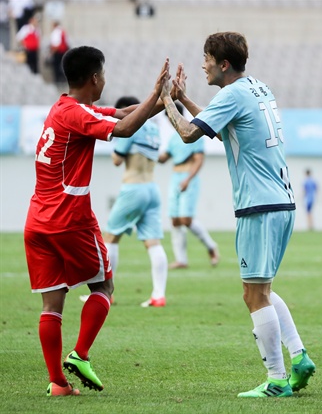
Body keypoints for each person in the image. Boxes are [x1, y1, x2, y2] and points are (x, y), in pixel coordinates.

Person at [160, 32, 315, 398]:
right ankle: (300, 357)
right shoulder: (257, 88)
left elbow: (186, 134)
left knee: (253, 295)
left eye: (207, 58)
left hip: (259, 206)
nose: (202, 65)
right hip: (280, 202)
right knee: (262, 290)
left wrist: (166, 99)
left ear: (223, 63)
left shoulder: (231, 95)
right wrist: (183, 98)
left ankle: (277, 379)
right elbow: (216, 127)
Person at [24, 45, 169, 396]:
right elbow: (124, 129)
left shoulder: (65, 108)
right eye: (103, 73)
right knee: (103, 287)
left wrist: (164, 101)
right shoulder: (78, 115)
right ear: (94, 78)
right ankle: (81, 354)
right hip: (69, 218)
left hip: (37, 221)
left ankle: (58, 383)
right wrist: (155, 94)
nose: (105, 79)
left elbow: (122, 113)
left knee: (52, 304)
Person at [81, 96, 169, 308]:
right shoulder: (153, 129)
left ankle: (106, 293)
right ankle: (159, 295)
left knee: (110, 238)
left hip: (133, 187)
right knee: (153, 242)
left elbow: (117, 159)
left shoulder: (133, 128)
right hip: (152, 187)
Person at [158, 101, 219, 269]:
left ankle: (211, 246)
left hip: (188, 178)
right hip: (175, 177)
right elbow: (163, 158)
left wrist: (188, 179)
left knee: (186, 219)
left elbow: (199, 160)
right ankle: (181, 260)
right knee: (175, 220)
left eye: (170, 116)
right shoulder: (172, 138)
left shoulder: (192, 133)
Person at [48, 20, 69, 84]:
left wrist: (52, 52)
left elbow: (57, 44)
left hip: (58, 51)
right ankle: (62, 79)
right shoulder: (63, 31)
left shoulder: (56, 32)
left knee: (56, 66)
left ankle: (57, 79)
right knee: (62, 66)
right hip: (63, 51)